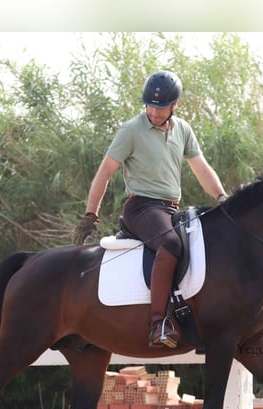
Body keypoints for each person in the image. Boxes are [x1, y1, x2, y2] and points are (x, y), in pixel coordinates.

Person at [72, 70, 227, 348]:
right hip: (141, 206)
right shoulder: (131, 130)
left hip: (170, 209)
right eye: (150, 106)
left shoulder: (183, 130)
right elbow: (105, 172)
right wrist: (90, 214)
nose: (154, 112)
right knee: (169, 244)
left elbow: (201, 168)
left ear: (174, 105)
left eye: (161, 107)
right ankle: (159, 324)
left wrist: (222, 196)